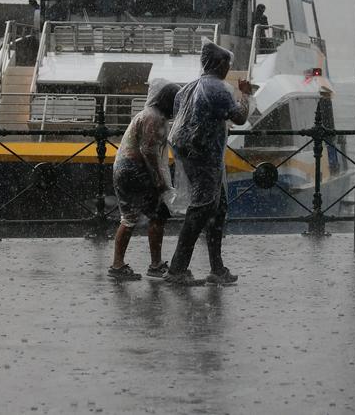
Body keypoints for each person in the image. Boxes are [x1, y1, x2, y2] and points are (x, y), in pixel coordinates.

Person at [164, 42, 251, 286]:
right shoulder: (218, 89)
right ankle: (177, 269)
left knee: (217, 208)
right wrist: (245, 93)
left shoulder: (187, 89)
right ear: (220, 64)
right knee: (200, 210)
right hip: (206, 158)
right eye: (227, 64)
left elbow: (180, 118)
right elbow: (240, 118)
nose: (228, 68)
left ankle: (217, 268)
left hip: (190, 156)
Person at [108, 80, 181, 281]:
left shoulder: (147, 115)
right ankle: (155, 264)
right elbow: (148, 150)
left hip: (123, 169)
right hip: (136, 170)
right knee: (158, 214)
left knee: (129, 218)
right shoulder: (154, 118)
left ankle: (118, 264)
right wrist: (158, 180)